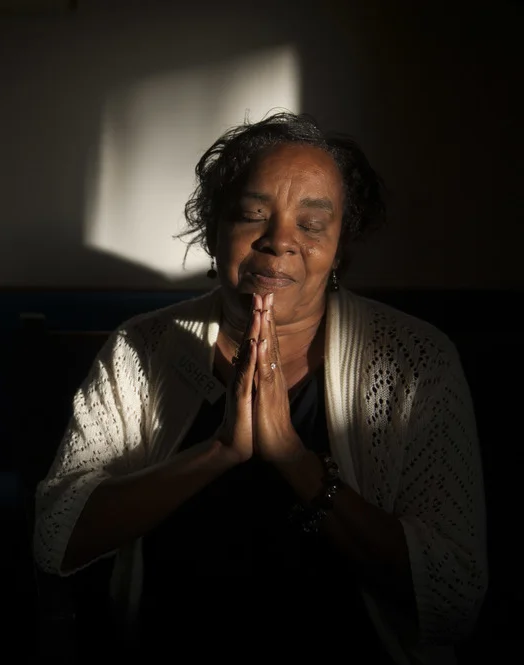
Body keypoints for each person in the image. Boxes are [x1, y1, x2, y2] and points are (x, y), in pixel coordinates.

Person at [32, 112, 487, 663]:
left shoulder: (416, 359)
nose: (279, 242)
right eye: (252, 215)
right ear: (213, 229)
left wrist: (294, 460)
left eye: (313, 225)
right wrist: (219, 452)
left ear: (340, 248)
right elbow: (57, 536)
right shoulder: (141, 347)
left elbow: (453, 594)